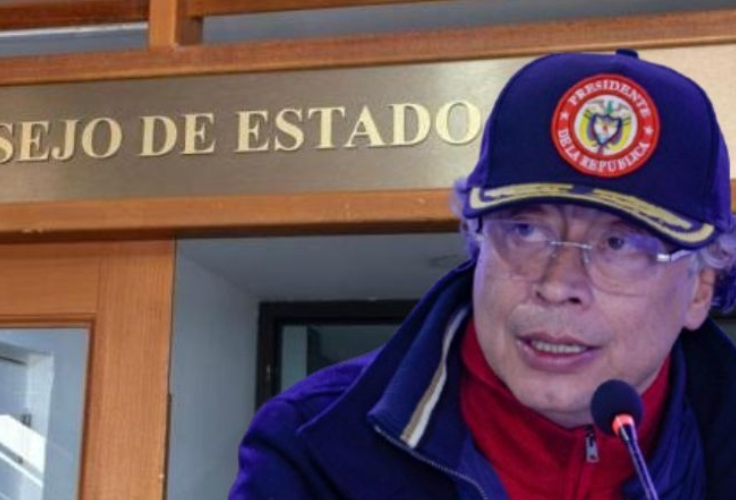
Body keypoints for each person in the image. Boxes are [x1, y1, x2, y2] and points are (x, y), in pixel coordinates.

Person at [229, 49, 736, 499]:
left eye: (618, 244)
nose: (557, 285)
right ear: (477, 242)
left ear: (700, 289)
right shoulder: (309, 449)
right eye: (525, 230)